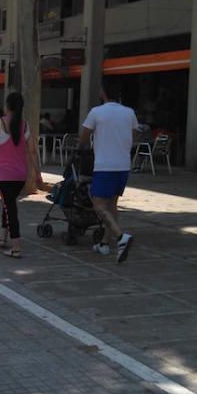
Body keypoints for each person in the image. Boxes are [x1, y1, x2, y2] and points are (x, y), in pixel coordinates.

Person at [0, 91, 44, 258]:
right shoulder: (25, 125)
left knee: (10, 207)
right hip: (21, 174)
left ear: (7, 106)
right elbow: (32, 151)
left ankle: (16, 246)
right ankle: (3, 236)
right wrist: (37, 173)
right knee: (8, 203)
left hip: (4, 174)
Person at [79, 87, 139, 263]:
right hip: (123, 165)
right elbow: (133, 134)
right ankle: (104, 243)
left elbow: (84, 136)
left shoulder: (96, 112)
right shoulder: (129, 113)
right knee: (112, 205)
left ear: (103, 93)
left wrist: (83, 146)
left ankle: (121, 237)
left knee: (98, 205)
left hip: (104, 165)